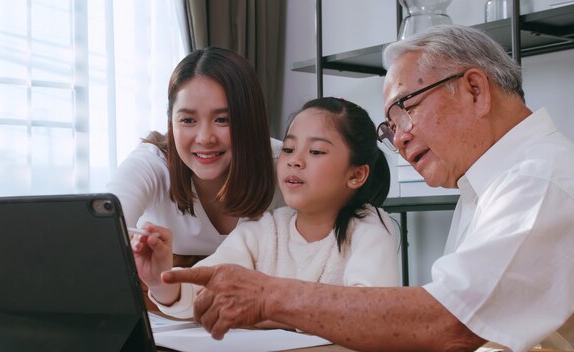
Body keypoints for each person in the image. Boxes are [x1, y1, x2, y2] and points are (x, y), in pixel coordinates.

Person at [161, 24, 574, 352]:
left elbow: (447, 324)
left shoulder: (537, 180)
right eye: (390, 126)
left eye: (405, 109)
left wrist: (269, 297)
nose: (400, 138)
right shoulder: (491, 182)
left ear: (474, 90)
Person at [134, 97, 399, 321]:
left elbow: (369, 314)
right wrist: (160, 280)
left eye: (316, 151)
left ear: (356, 175)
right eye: (288, 148)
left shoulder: (372, 228)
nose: (295, 160)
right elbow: (205, 289)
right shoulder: (264, 229)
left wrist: (267, 314)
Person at [107, 46, 283, 266]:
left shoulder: (283, 166)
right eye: (188, 120)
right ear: (171, 122)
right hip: (164, 290)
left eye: (222, 120)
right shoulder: (153, 163)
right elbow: (103, 230)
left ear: (251, 120)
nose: (205, 138)